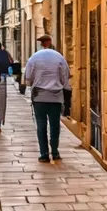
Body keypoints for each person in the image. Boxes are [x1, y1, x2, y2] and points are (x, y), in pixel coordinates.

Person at [24, 34, 71, 162]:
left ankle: (44, 153)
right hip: (55, 97)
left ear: (41, 44)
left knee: (41, 124)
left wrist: (36, 82)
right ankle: (55, 152)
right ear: (50, 42)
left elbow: (28, 77)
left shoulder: (34, 57)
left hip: (39, 97)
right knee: (55, 125)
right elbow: (65, 76)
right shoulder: (59, 57)